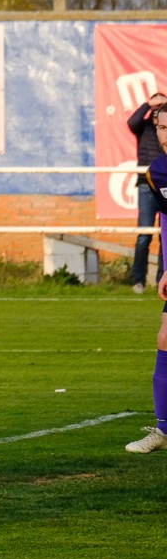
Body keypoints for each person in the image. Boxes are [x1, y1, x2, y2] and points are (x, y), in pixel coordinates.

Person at [125, 103, 167, 454]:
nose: (165, 135)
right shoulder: (158, 171)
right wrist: (166, 268)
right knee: (165, 338)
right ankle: (163, 430)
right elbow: (166, 223)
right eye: (161, 128)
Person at [127, 93, 167, 294]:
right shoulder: (144, 128)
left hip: (163, 182)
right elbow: (132, 121)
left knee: (164, 237)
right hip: (146, 184)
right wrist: (148, 104)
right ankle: (138, 281)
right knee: (144, 234)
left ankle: (162, 277)